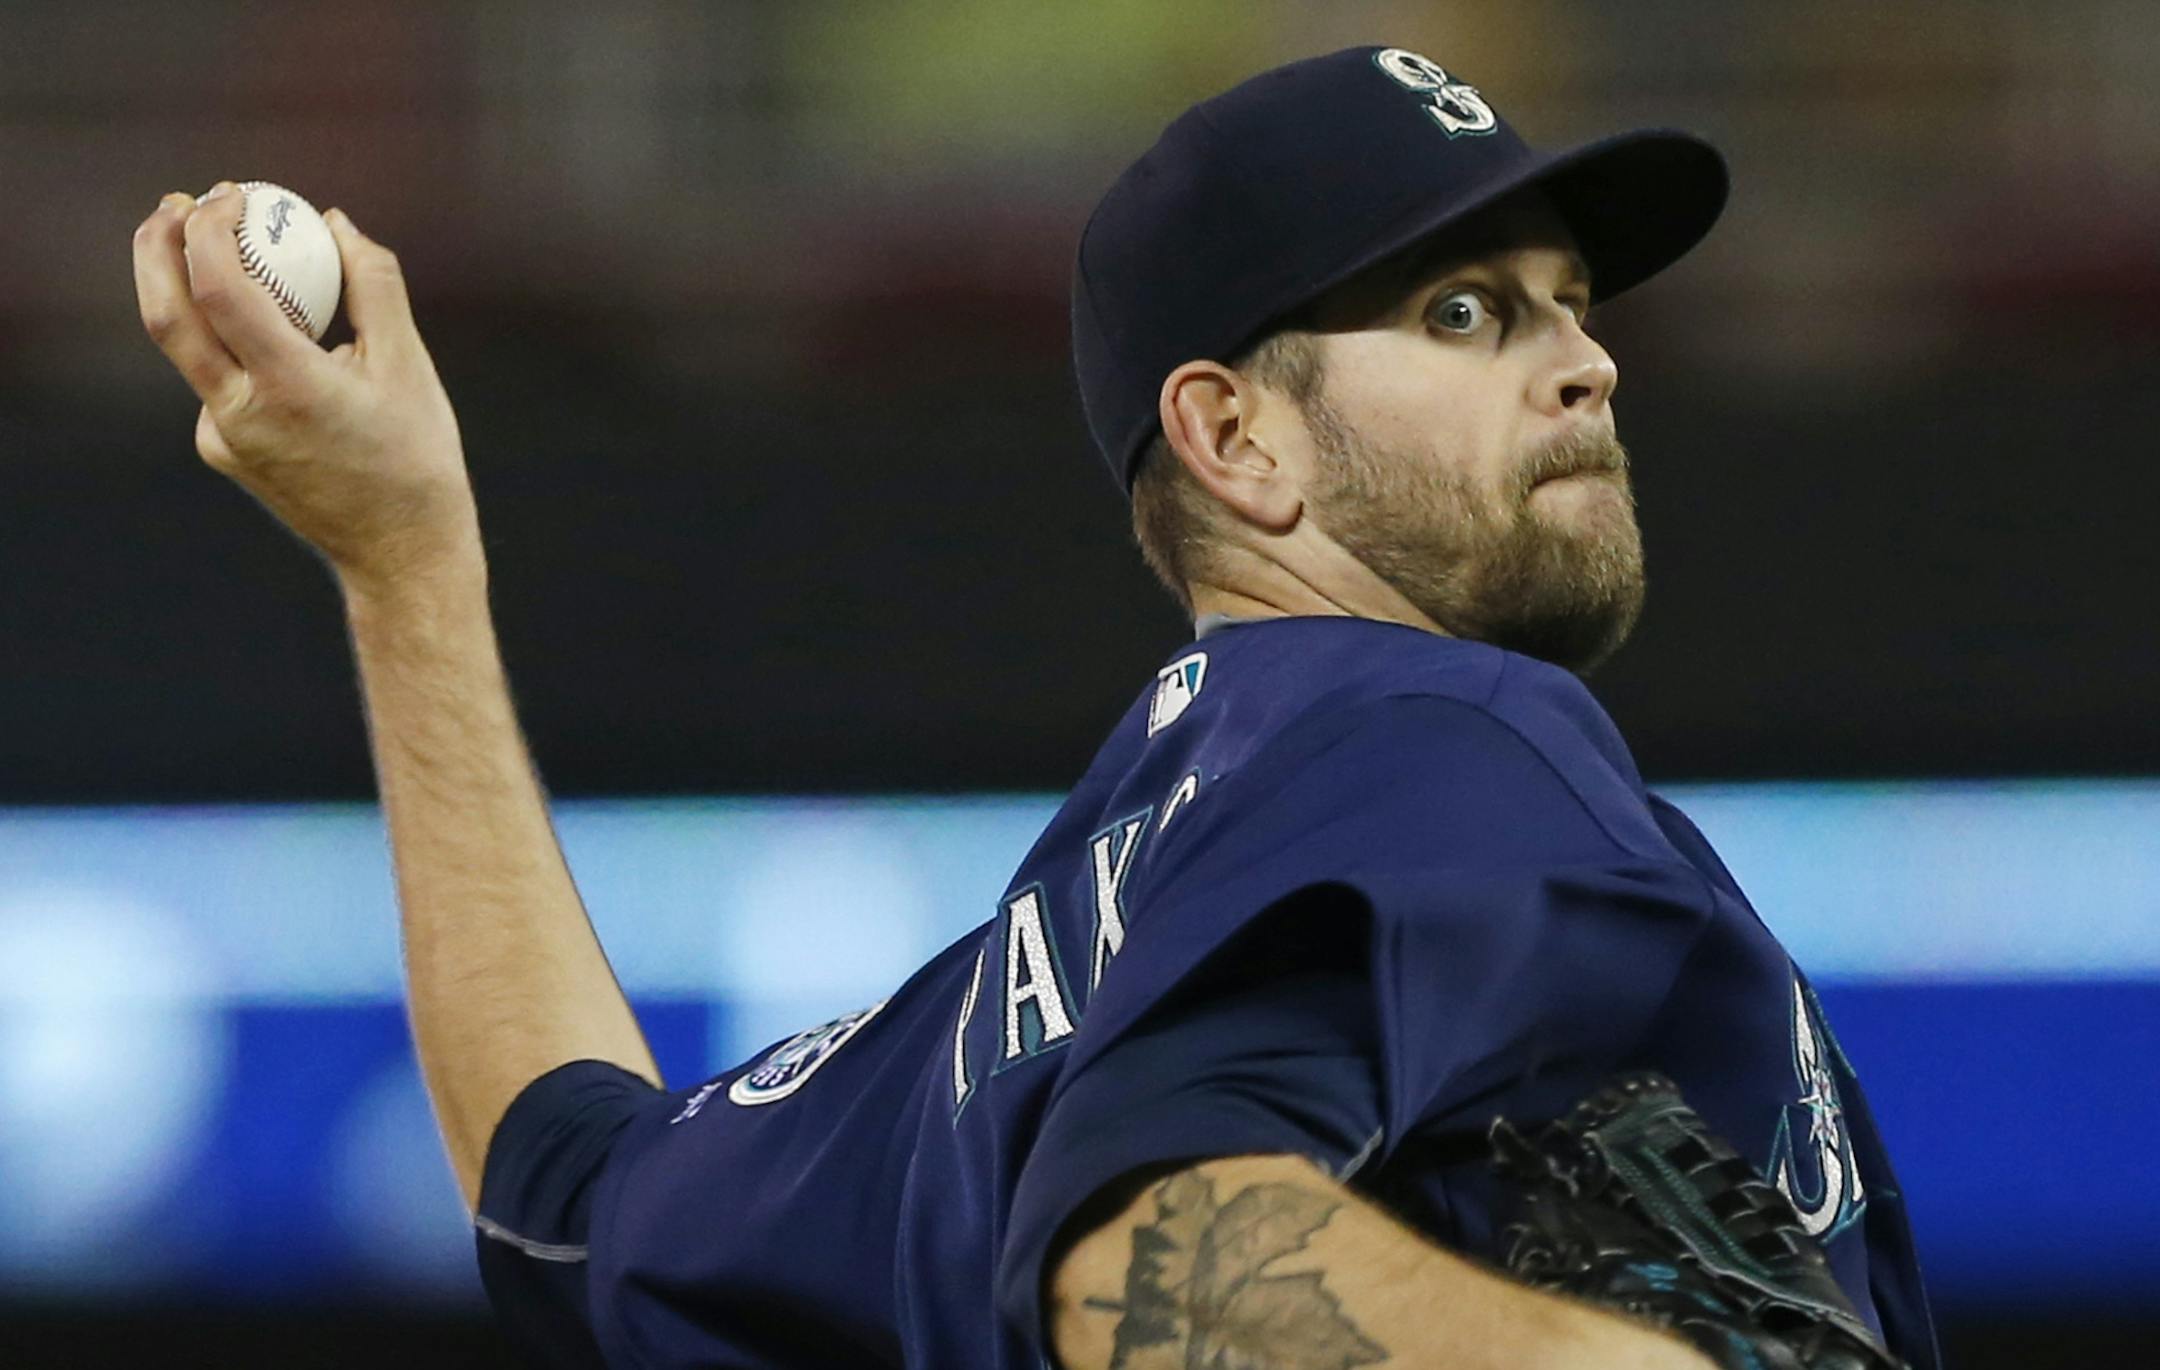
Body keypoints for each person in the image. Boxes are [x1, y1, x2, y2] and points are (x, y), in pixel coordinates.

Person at [131, 45, 1938, 1370]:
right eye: (1467, 311)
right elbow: (1147, 1262)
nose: (1587, 358)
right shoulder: (1444, 731)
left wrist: (404, 560)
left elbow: (558, 1183)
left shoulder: (994, 1018)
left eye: (1571, 304)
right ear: (1238, 438)